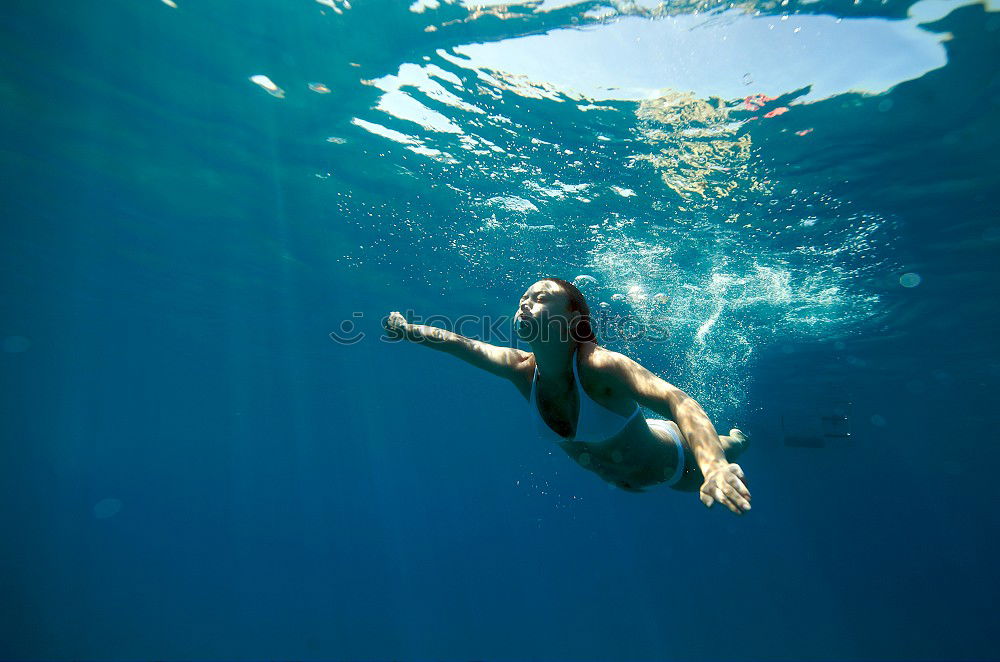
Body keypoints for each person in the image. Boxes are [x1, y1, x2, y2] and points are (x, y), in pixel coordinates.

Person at [383, 278, 751, 514]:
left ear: (574, 318)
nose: (525, 303)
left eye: (540, 298)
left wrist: (715, 466)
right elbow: (460, 344)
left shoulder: (601, 366)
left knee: (730, 446)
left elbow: (679, 402)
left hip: (677, 468)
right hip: (631, 481)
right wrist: (406, 329)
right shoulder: (520, 370)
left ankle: (736, 440)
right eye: (523, 298)